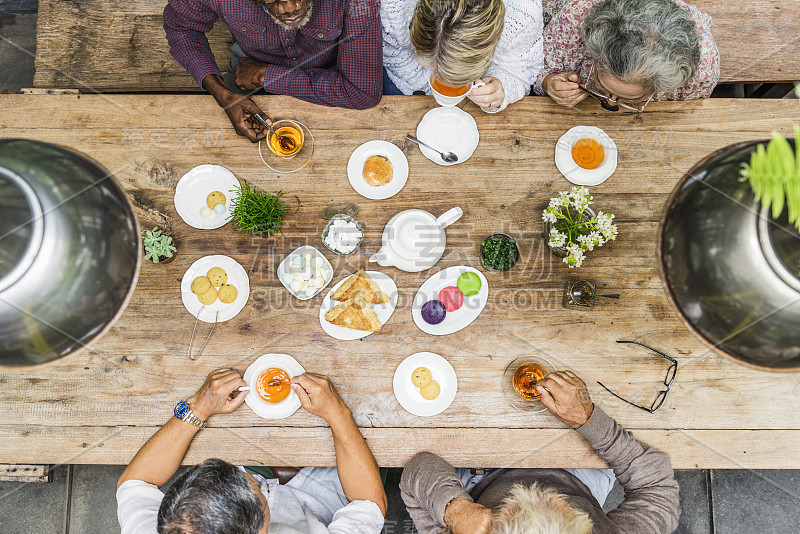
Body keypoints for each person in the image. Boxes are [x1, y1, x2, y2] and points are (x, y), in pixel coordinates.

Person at [400, 371, 680, 533]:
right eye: (563, 510)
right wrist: (589, 421)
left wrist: (454, 509)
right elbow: (658, 488)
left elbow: (417, 471)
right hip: (581, 477)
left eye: (506, 513)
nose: (539, 490)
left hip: (479, 480)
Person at [116, 369, 387, 533]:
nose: (240, 469)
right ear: (260, 529)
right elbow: (369, 503)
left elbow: (134, 483)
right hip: (321, 503)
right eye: (248, 482)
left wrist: (199, 408)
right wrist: (337, 412)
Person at [163, 0, 382, 142]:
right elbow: (181, 27)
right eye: (272, 1)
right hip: (246, 72)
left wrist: (267, 75)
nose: (288, 8)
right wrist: (223, 94)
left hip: (331, 76)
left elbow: (361, 92)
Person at [533, 0, 720, 111]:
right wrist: (548, 83)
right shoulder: (574, 20)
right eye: (601, 84)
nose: (609, 103)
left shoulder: (702, 72)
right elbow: (529, 68)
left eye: (631, 100)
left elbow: (688, 112)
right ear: (594, 54)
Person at [382, 0, 543, 112]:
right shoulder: (391, 5)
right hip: (404, 74)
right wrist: (427, 90)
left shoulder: (523, 12)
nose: (447, 82)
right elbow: (395, 55)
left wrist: (503, 86)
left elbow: (523, 66)